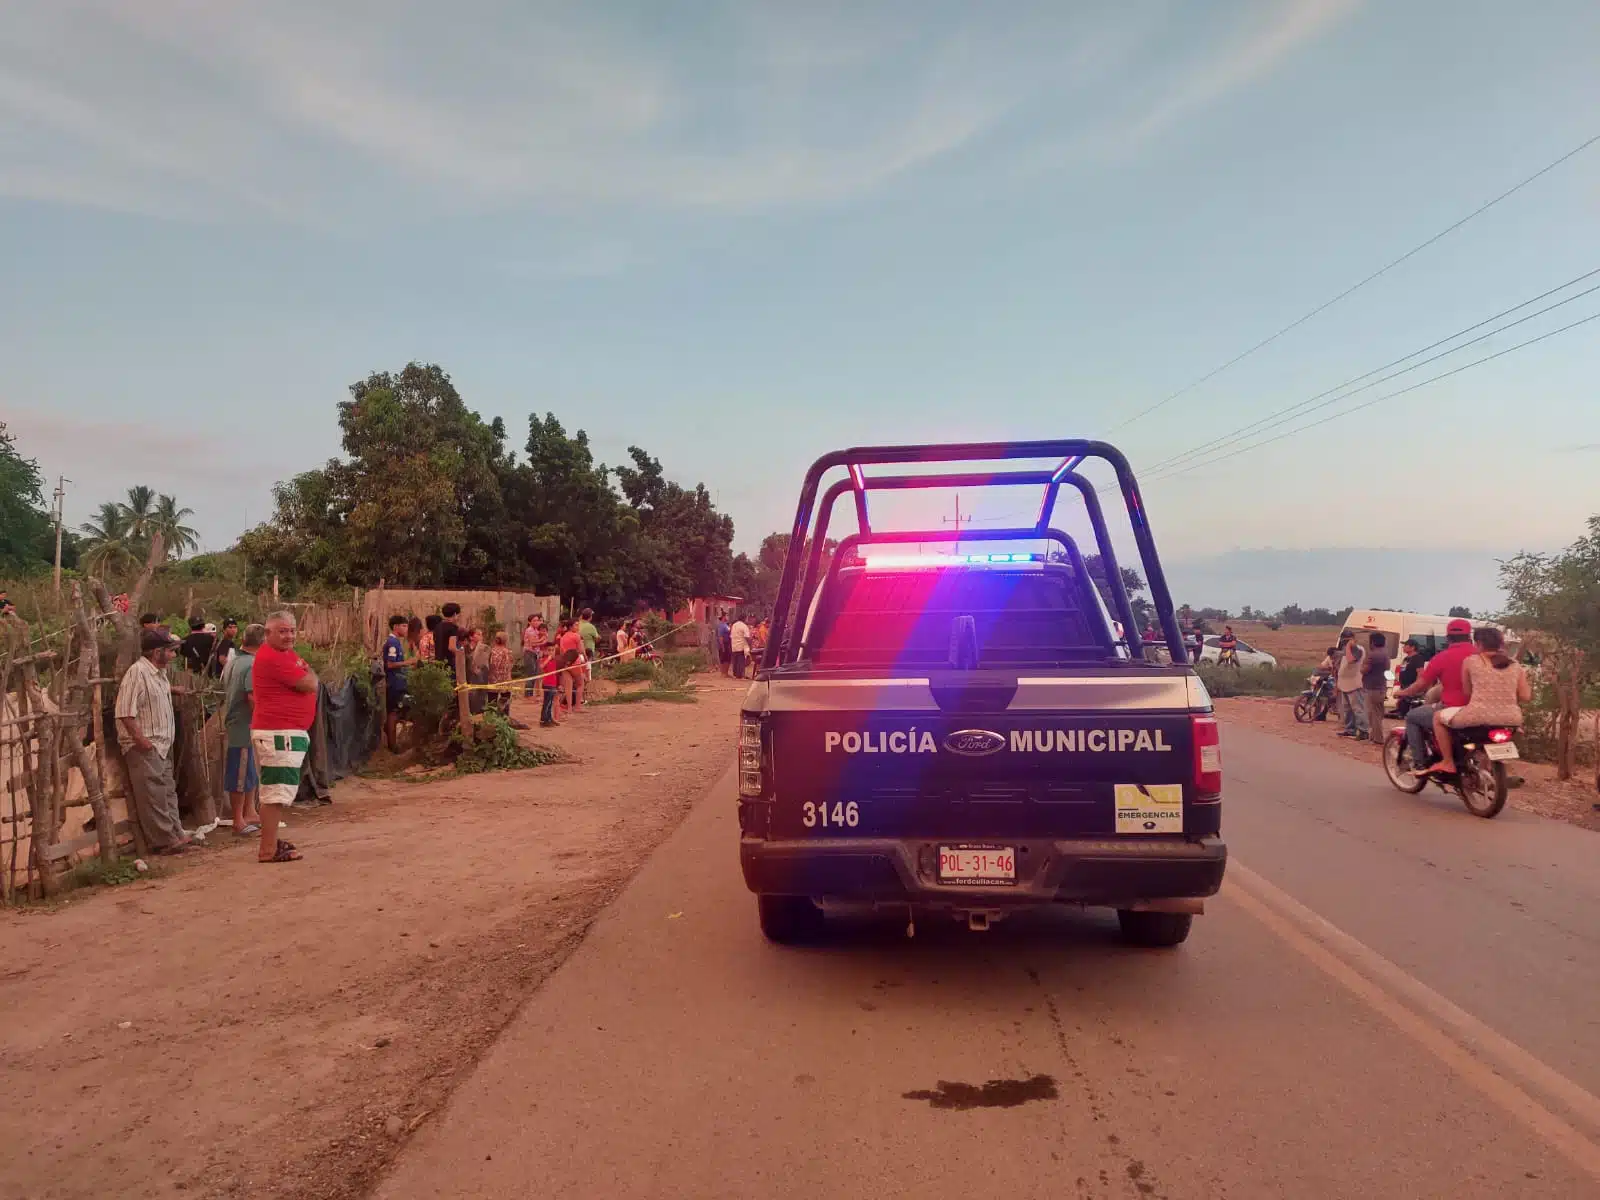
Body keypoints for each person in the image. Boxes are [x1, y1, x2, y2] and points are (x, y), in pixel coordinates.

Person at [115, 630, 191, 854]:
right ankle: (163, 841)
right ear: (157, 652)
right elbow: (124, 711)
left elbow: (155, 691)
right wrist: (141, 740)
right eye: (170, 651)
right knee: (152, 794)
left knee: (167, 791)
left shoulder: (158, 674)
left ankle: (176, 834)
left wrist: (173, 690)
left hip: (162, 743)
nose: (173, 655)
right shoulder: (136, 673)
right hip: (146, 744)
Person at [250, 611, 318, 864]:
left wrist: (308, 674)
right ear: (267, 634)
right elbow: (310, 682)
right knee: (275, 793)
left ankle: (270, 844)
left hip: (285, 732)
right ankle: (267, 849)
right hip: (279, 732)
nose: (289, 635)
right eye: (282, 631)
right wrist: (309, 675)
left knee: (277, 791)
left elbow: (308, 677)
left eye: (291, 630)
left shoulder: (284, 654)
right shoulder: (272, 657)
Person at [1421, 627, 1530, 776]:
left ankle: (1447, 762)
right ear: (1501, 644)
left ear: (1478, 644)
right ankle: (1489, 769)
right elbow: (1525, 696)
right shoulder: (1515, 665)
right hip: (1511, 718)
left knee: (1438, 717)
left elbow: (1467, 692)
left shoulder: (1471, 661)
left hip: (1476, 714)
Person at [1394, 618, 1477, 769]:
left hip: (1451, 708)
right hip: (1479, 708)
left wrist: (1403, 692)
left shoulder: (1442, 657)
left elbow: (1421, 684)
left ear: (1448, 638)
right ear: (1469, 637)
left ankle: (1420, 763)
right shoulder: (1481, 656)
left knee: (1412, 717)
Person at [221, 623, 264, 837]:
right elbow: (252, 697)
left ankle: (249, 812)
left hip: (237, 722)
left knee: (248, 771)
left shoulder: (235, 660)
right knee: (239, 773)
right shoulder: (253, 665)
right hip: (244, 725)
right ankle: (238, 820)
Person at [382, 614, 413, 754]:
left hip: (398, 682)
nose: (406, 629)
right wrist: (409, 662)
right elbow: (390, 664)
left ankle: (390, 736)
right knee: (393, 713)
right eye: (404, 626)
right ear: (396, 627)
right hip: (394, 683)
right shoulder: (393, 642)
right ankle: (392, 745)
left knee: (398, 710)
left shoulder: (396, 642)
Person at [1362, 632, 1391, 749]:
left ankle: (1378, 738)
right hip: (1381, 686)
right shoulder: (1385, 654)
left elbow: (1364, 670)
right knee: (1377, 712)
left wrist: (1361, 667)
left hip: (1372, 687)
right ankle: (1374, 736)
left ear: (1373, 642)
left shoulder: (1373, 655)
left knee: (1374, 714)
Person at [1336, 636, 1368, 739]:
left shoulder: (1358, 650)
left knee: (1358, 709)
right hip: (1345, 684)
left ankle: (1363, 731)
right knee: (1347, 709)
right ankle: (1350, 729)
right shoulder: (1346, 650)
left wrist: (1349, 645)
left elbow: (1350, 660)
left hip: (1354, 684)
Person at [559, 619, 585, 709]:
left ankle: (569, 708)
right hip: (575, 663)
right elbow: (581, 650)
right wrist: (585, 658)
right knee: (580, 684)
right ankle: (578, 706)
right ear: (571, 627)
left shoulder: (563, 637)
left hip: (566, 663)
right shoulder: (576, 636)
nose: (577, 627)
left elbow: (562, 652)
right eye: (576, 625)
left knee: (568, 687)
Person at [1394, 639, 1424, 716]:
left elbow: (1420, 673)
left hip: (1411, 687)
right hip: (1404, 686)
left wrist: (1416, 687)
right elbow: (1403, 670)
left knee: (1408, 710)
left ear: (1412, 647)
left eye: (1405, 645)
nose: (1403, 647)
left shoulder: (1418, 658)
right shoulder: (1406, 659)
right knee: (1401, 707)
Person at [488, 630, 514, 715]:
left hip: (492, 678)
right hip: (505, 679)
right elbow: (510, 666)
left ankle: (491, 719)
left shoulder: (491, 651)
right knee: (505, 700)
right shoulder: (508, 652)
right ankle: (504, 718)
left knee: (492, 701)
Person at [522, 615, 546, 697]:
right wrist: (542, 641)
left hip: (535, 654)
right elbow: (533, 643)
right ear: (529, 622)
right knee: (530, 674)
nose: (537, 622)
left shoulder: (536, 630)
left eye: (537, 620)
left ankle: (530, 694)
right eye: (534, 620)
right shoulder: (529, 630)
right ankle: (528, 695)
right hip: (529, 653)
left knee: (534, 674)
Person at [577, 609, 600, 684]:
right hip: (588, 650)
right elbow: (597, 638)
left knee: (580, 669)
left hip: (578, 651)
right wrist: (599, 638)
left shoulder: (577, 624)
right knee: (588, 668)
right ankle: (588, 684)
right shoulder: (591, 627)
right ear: (590, 617)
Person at [729, 613, 753, 679]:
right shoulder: (744, 626)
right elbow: (747, 637)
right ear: (744, 618)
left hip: (734, 645)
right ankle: (741, 675)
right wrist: (750, 646)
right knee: (741, 661)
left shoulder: (734, 625)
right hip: (741, 646)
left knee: (735, 661)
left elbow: (731, 635)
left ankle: (736, 675)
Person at [717, 612, 733, 677]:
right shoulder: (721, 625)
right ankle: (723, 673)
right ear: (723, 617)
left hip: (727, 643)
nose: (728, 617)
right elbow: (720, 637)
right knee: (724, 659)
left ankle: (725, 673)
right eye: (727, 616)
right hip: (724, 644)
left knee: (727, 659)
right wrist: (722, 646)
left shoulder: (725, 625)